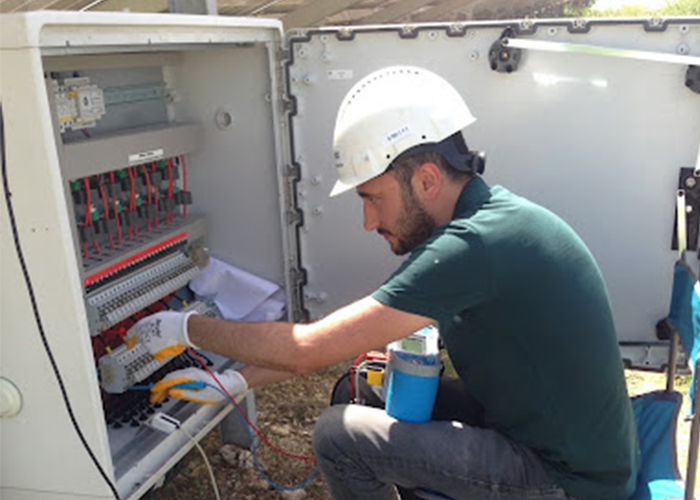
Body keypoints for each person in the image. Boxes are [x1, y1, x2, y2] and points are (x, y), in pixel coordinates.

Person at [129, 66, 640, 500]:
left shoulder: (474, 247)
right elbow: (339, 343)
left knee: (339, 438)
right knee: (357, 390)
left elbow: (307, 349)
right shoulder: (488, 223)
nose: (368, 221)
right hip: (538, 433)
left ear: (427, 180)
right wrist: (236, 381)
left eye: (372, 198)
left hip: (566, 481)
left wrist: (181, 328)